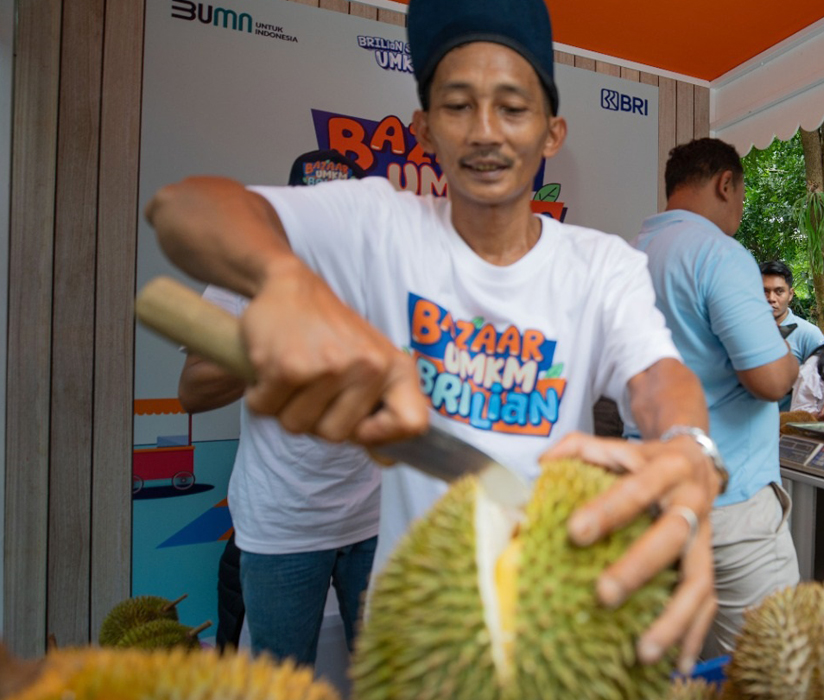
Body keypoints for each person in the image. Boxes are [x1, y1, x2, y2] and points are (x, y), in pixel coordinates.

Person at [146, 0, 722, 673]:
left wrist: (687, 445)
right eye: (457, 106)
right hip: (420, 618)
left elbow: (656, 376)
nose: (485, 132)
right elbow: (183, 208)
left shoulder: (599, 265)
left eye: (512, 107)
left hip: (549, 600)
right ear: (424, 128)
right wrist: (283, 281)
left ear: (551, 131)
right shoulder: (379, 224)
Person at [631, 138, 800, 659]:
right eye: (742, 195)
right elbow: (769, 380)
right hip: (727, 502)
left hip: (649, 495)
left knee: (676, 668)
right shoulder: (719, 253)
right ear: (726, 184)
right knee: (767, 668)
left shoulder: (630, 252)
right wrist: (791, 359)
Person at [179, 286, 380, 665]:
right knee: (282, 686)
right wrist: (277, 348)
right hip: (281, 521)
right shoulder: (244, 263)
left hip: (379, 518)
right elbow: (192, 389)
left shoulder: (389, 250)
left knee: (394, 684)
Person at [762, 261, 824, 411]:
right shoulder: (742, 331)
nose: (771, 298)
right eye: (764, 291)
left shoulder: (809, 334)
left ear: (790, 294)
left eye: (779, 292)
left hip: (790, 426)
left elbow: (821, 383)